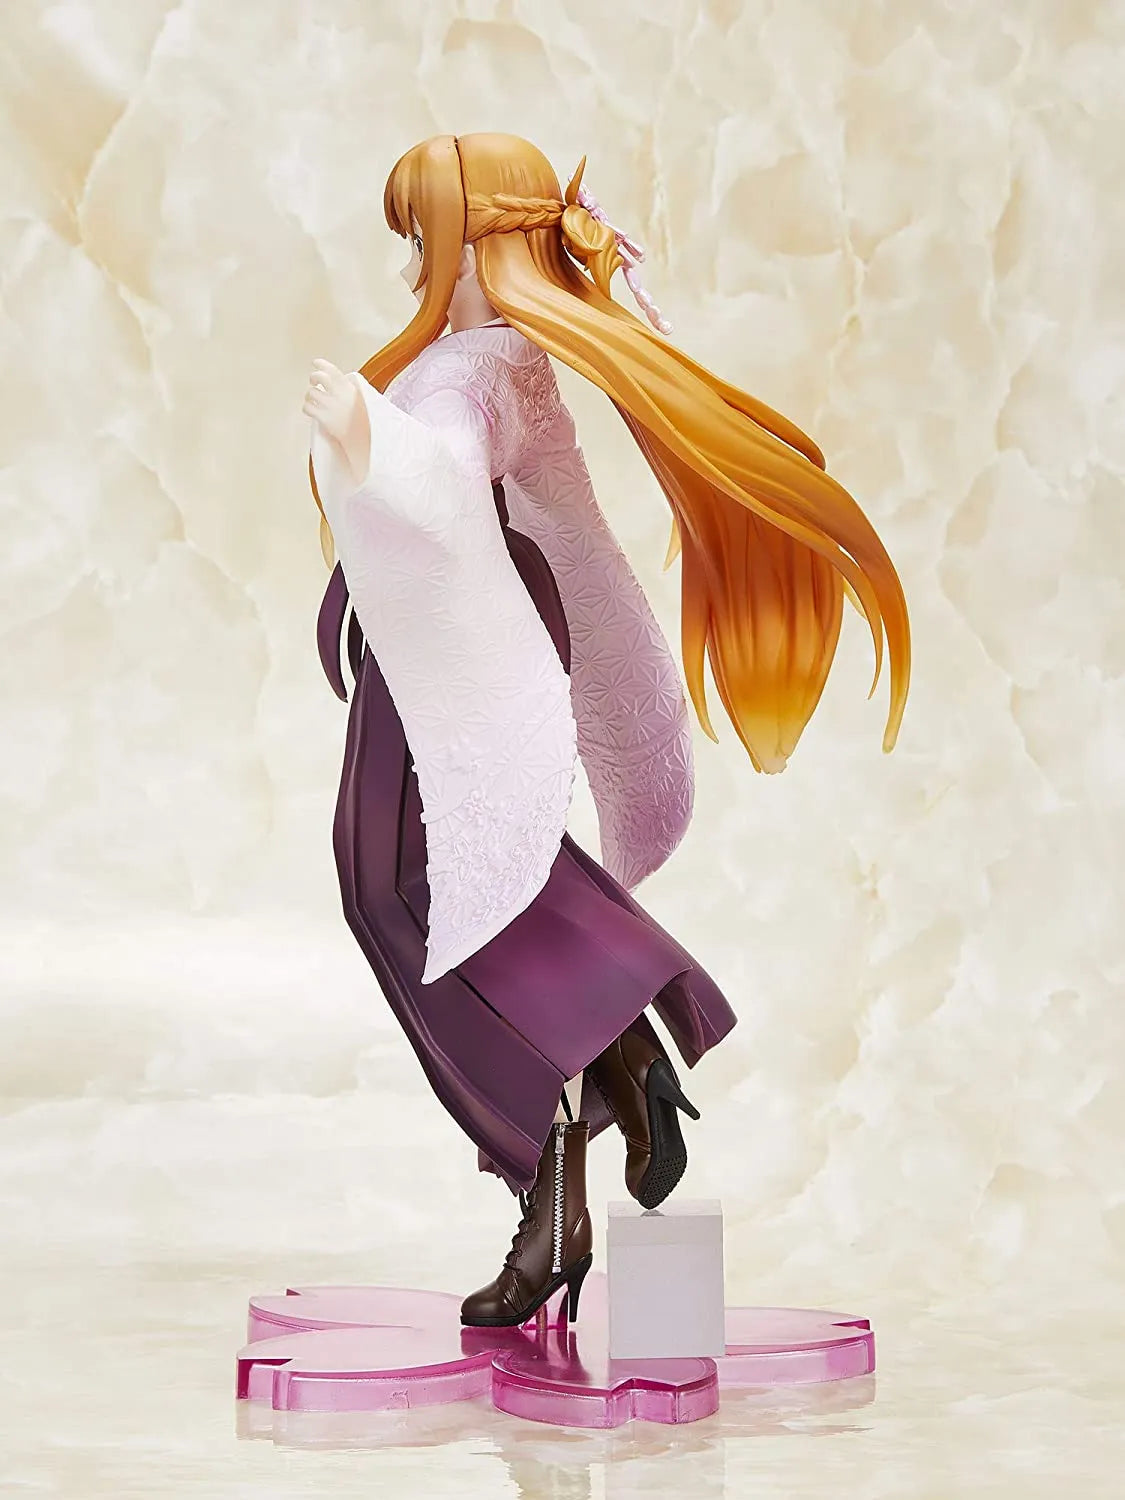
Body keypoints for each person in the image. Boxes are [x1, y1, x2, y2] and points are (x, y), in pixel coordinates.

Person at [302, 133, 911, 1329]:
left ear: (473, 239)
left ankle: (565, 1170)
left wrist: (370, 440)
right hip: (430, 654)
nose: (411, 264)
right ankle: (621, 1050)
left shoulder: (478, 373)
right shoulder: (485, 358)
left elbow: (444, 480)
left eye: (422, 236)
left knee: (414, 889)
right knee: (432, 880)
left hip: (450, 666)